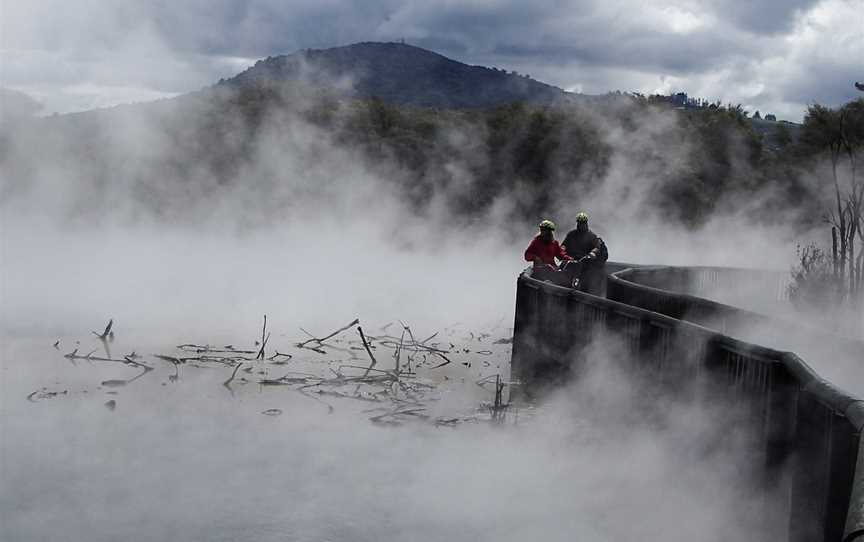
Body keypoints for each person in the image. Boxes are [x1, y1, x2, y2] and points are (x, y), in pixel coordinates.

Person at [561, 212, 608, 295]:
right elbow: (564, 245)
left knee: (588, 279)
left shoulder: (591, 236)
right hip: (572, 261)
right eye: (580, 223)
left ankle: (588, 293)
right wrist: (561, 250)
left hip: (585, 263)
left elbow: (596, 247)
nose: (581, 225)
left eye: (583, 223)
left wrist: (592, 253)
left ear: (586, 223)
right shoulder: (571, 234)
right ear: (577, 223)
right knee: (562, 270)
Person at [524, 220, 573, 287]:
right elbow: (527, 255)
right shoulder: (536, 242)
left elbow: (561, 255)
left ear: (549, 231)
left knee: (564, 273)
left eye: (544, 230)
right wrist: (535, 257)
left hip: (552, 269)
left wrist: (570, 260)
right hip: (540, 269)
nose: (542, 232)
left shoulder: (554, 243)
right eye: (541, 230)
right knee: (549, 269)